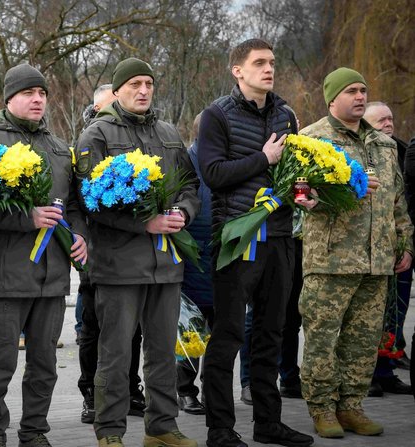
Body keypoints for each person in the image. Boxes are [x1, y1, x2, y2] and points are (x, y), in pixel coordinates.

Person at [0, 63, 87, 447]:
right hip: (2, 277)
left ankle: (34, 433)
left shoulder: (58, 146)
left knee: (45, 366)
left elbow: (76, 203)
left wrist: (80, 235)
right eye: (29, 93)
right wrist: (25, 218)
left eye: (42, 93)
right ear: (9, 97)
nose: (37, 99)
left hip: (51, 278)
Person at [75, 57, 200, 447]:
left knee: (163, 352)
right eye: (134, 84)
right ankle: (110, 431)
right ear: (117, 91)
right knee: (115, 355)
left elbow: (190, 185)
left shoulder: (168, 132)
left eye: (148, 83)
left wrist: (182, 212)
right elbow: (88, 201)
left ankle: (161, 427)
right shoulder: (97, 135)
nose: (143, 90)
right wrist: (142, 224)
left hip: (166, 265)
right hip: (118, 266)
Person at [198, 38, 315, 447]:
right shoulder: (215, 115)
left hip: (281, 237)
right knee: (229, 334)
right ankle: (220, 429)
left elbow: (294, 172)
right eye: (259, 62)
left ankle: (268, 423)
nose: (269, 69)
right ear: (238, 70)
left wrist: (305, 195)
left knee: (272, 332)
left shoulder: (285, 114)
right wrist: (263, 159)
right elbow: (212, 173)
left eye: (272, 62)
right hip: (237, 238)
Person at [298, 68, 413, 438]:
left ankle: (351, 406)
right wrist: (342, 191)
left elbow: (397, 199)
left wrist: (404, 241)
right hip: (331, 260)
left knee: (363, 342)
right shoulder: (312, 138)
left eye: (363, 90)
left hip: (377, 260)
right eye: (352, 91)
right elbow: (298, 196)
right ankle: (322, 408)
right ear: (332, 98)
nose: (360, 97)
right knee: (323, 339)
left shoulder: (383, 143)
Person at [76, 84, 146, 425]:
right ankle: (91, 392)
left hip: (128, 256)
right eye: (105, 107)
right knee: (92, 328)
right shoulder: (90, 140)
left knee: (131, 330)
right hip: (95, 252)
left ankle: (131, 387)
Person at [364, 101, 413, 396]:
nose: (388, 124)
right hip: (367, 249)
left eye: (391, 119)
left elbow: (402, 204)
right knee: (368, 316)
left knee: (394, 314)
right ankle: (366, 375)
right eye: (381, 120)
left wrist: (407, 246)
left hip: (396, 246)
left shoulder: (401, 150)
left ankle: (386, 371)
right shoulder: (361, 152)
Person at [178, 112, 212, 416]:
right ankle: (185, 390)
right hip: (192, 259)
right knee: (190, 328)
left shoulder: (223, 162)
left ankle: (214, 387)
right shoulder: (187, 162)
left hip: (223, 256)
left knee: (220, 329)